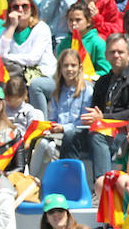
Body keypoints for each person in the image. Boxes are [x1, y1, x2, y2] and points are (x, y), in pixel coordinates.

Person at [29, 2, 109, 115]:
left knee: (86, 87)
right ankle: (43, 124)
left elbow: (105, 71)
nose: (73, 23)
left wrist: (87, 77)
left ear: (89, 22)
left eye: (78, 20)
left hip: (87, 83)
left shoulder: (98, 43)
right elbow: (57, 68)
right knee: (36, 84)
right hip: (63, 83)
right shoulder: (64, 44)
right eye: (70, 20)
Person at [82, 34, 129, 188]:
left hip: (125, 131)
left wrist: (102, 117)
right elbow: (95, 110)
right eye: (112, 52)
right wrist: (95, 117)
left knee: (98, 136)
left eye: (120, 52)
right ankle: (70, 188)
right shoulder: (102, 81)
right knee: (71, 137)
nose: (116, 55)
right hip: (104, 130)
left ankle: (105, 187)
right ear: (106, 55)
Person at [39, 49, 92, 179]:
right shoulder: (57, 92)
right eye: (65, 65)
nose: (69, 69)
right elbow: (53, 117)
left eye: (73, 65)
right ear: (60, 68)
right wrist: (52, 126)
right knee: (42, 143)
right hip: (58, 133)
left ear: (79, 67)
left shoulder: (87, 90)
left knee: (67, 136)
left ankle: (66, 177)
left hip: (78, 134)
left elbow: (84, 121)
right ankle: (34, 180)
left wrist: (63, 128)